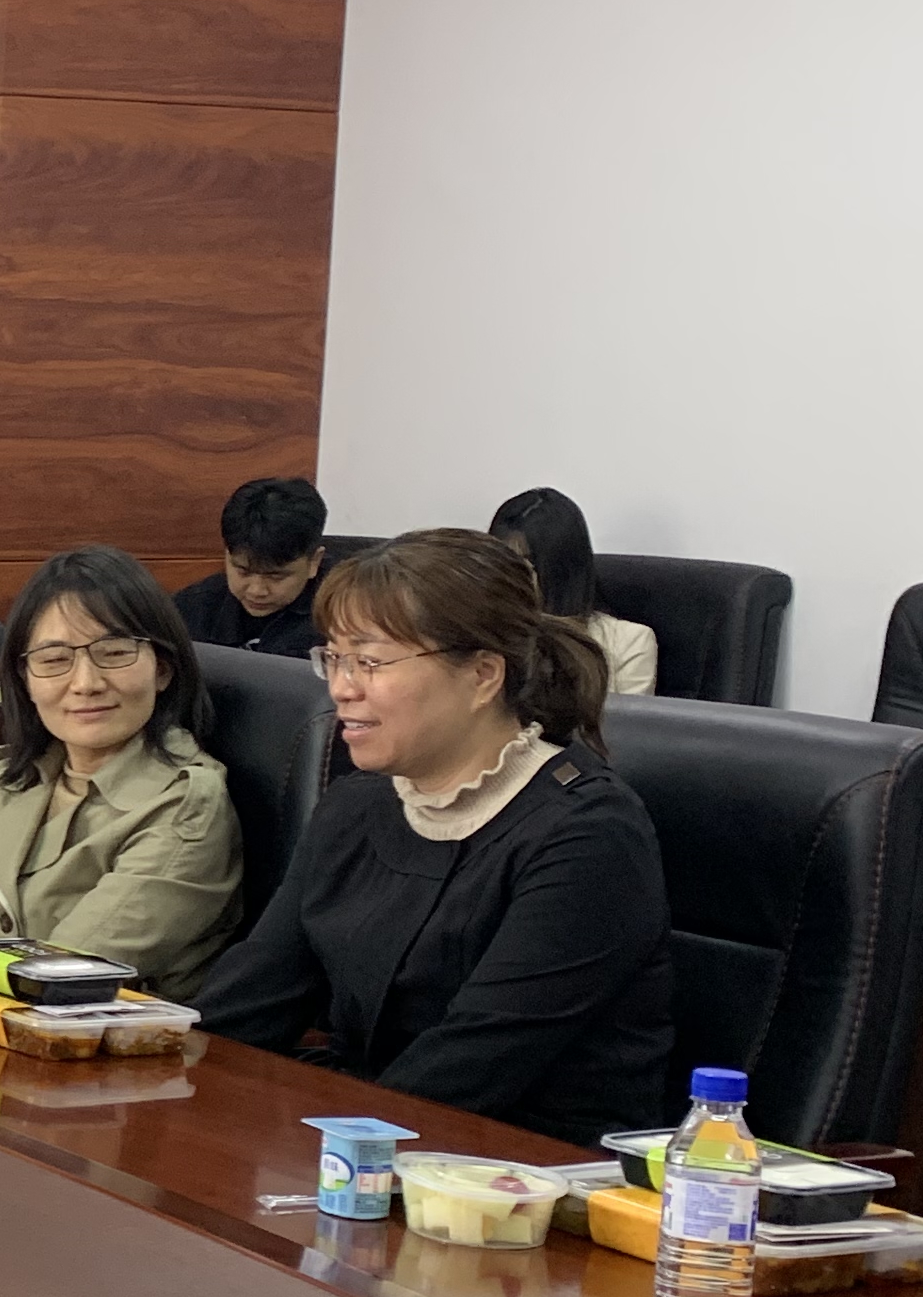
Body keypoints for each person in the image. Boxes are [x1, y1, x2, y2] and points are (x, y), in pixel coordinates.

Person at [196, 528, 675, 1144]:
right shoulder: (358, 804)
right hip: (373, 1134)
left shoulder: (589, 834)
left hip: (522, 1164)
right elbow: (252, 1000)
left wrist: (332, 1150)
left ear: (482, 675)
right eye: (334, 658)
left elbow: (476, 1063)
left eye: (370, 662)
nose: (341, 687)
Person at [0, 546, 243, 999]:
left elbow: (62, 974)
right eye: (54, 660)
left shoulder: (186, 802)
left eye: (113, 652)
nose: (86, 683)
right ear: (25, 679)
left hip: (101, 1036)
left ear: (163, 669)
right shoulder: (3, 777)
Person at [491, 486, 658, 696]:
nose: (511, 577)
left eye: (527, 563)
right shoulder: (483, 634)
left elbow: (625, 718)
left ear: (562, 569)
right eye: (503, 563)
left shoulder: (628, 643)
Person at [172, 476, 327, 661]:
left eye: (276, 576)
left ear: (314, 562)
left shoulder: (345, 617)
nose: (257, 591)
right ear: (227, 554)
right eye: (243, 571)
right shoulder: (190, 610)